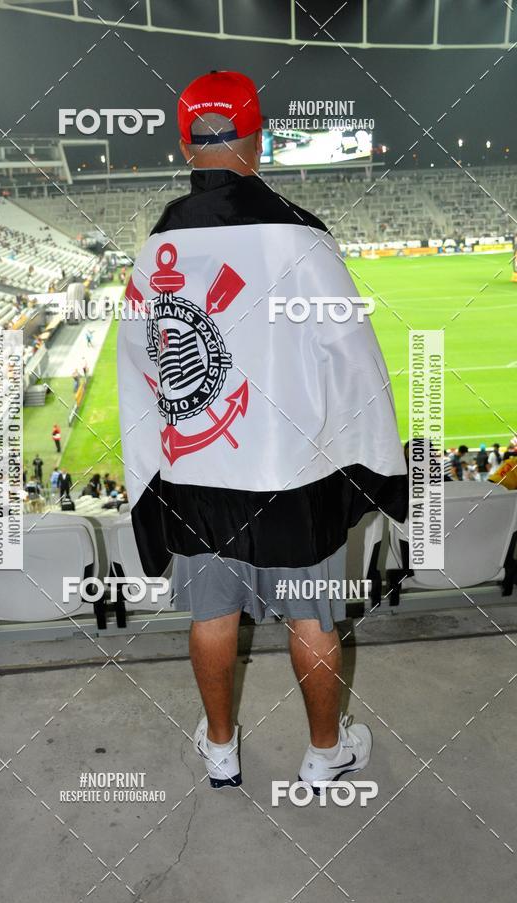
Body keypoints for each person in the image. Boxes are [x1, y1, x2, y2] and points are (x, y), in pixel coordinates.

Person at [117, 71, 407, 791]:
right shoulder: (300, 237)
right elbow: (354, 361)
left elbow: (143, 365)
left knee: (212, 614)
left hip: (197, 474)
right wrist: (374, 462)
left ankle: (221, 749)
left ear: (184, 143)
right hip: (290, 476)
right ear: (258, 137)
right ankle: (324, 753)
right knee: (312, 619)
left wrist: (155, 468)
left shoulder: (157, 246)